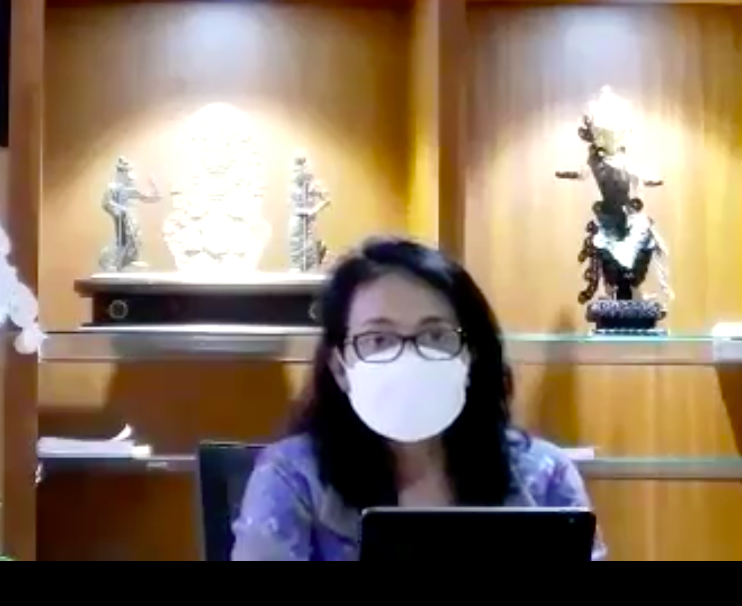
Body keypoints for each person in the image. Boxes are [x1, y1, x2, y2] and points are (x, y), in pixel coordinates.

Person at [231, 237, 605, 561]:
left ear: (471, 355)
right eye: (379, 339)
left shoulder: (544, 477)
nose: (408, 358)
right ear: (340, 367)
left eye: (435, 336)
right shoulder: (293, 478)